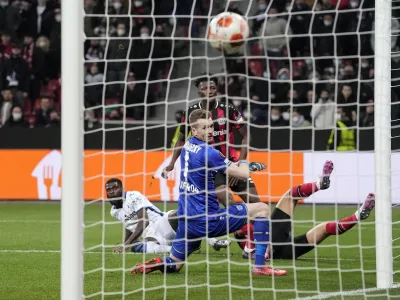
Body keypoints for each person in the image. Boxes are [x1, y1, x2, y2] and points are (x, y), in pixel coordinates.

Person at [131, 109, 287, 276]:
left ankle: (158, 263)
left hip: (186, 221)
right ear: (194, 130)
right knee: (262, 209)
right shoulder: (209, 152)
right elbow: (243, 174)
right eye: (204, 128)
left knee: (176, 264)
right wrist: (245, 163)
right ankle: (260, 266)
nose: (211, 131)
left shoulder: (187, 147)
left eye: (211, 126)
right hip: (207, 220)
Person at [236, 161, 375, 260]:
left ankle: (358, 215)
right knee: (291, 195)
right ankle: (320, 185)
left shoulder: (237, 226)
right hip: (271, 240)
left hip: (283, 253)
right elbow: (243, 231)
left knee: (325, 229)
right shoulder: (241, 221)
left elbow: (241, 233)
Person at [105, 178, 230, 254]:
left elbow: (144, 221)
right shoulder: (114, 211)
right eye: (108, 190)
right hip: (153, 237)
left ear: (122, 188)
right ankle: (178, 250)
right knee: (136, 247)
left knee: (184, 213)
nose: (111, 192)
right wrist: (127, 242)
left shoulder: (133, 196)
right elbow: (128, 224)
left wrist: (126, 243)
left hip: (163, 224)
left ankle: (214, 241)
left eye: (114, 188)